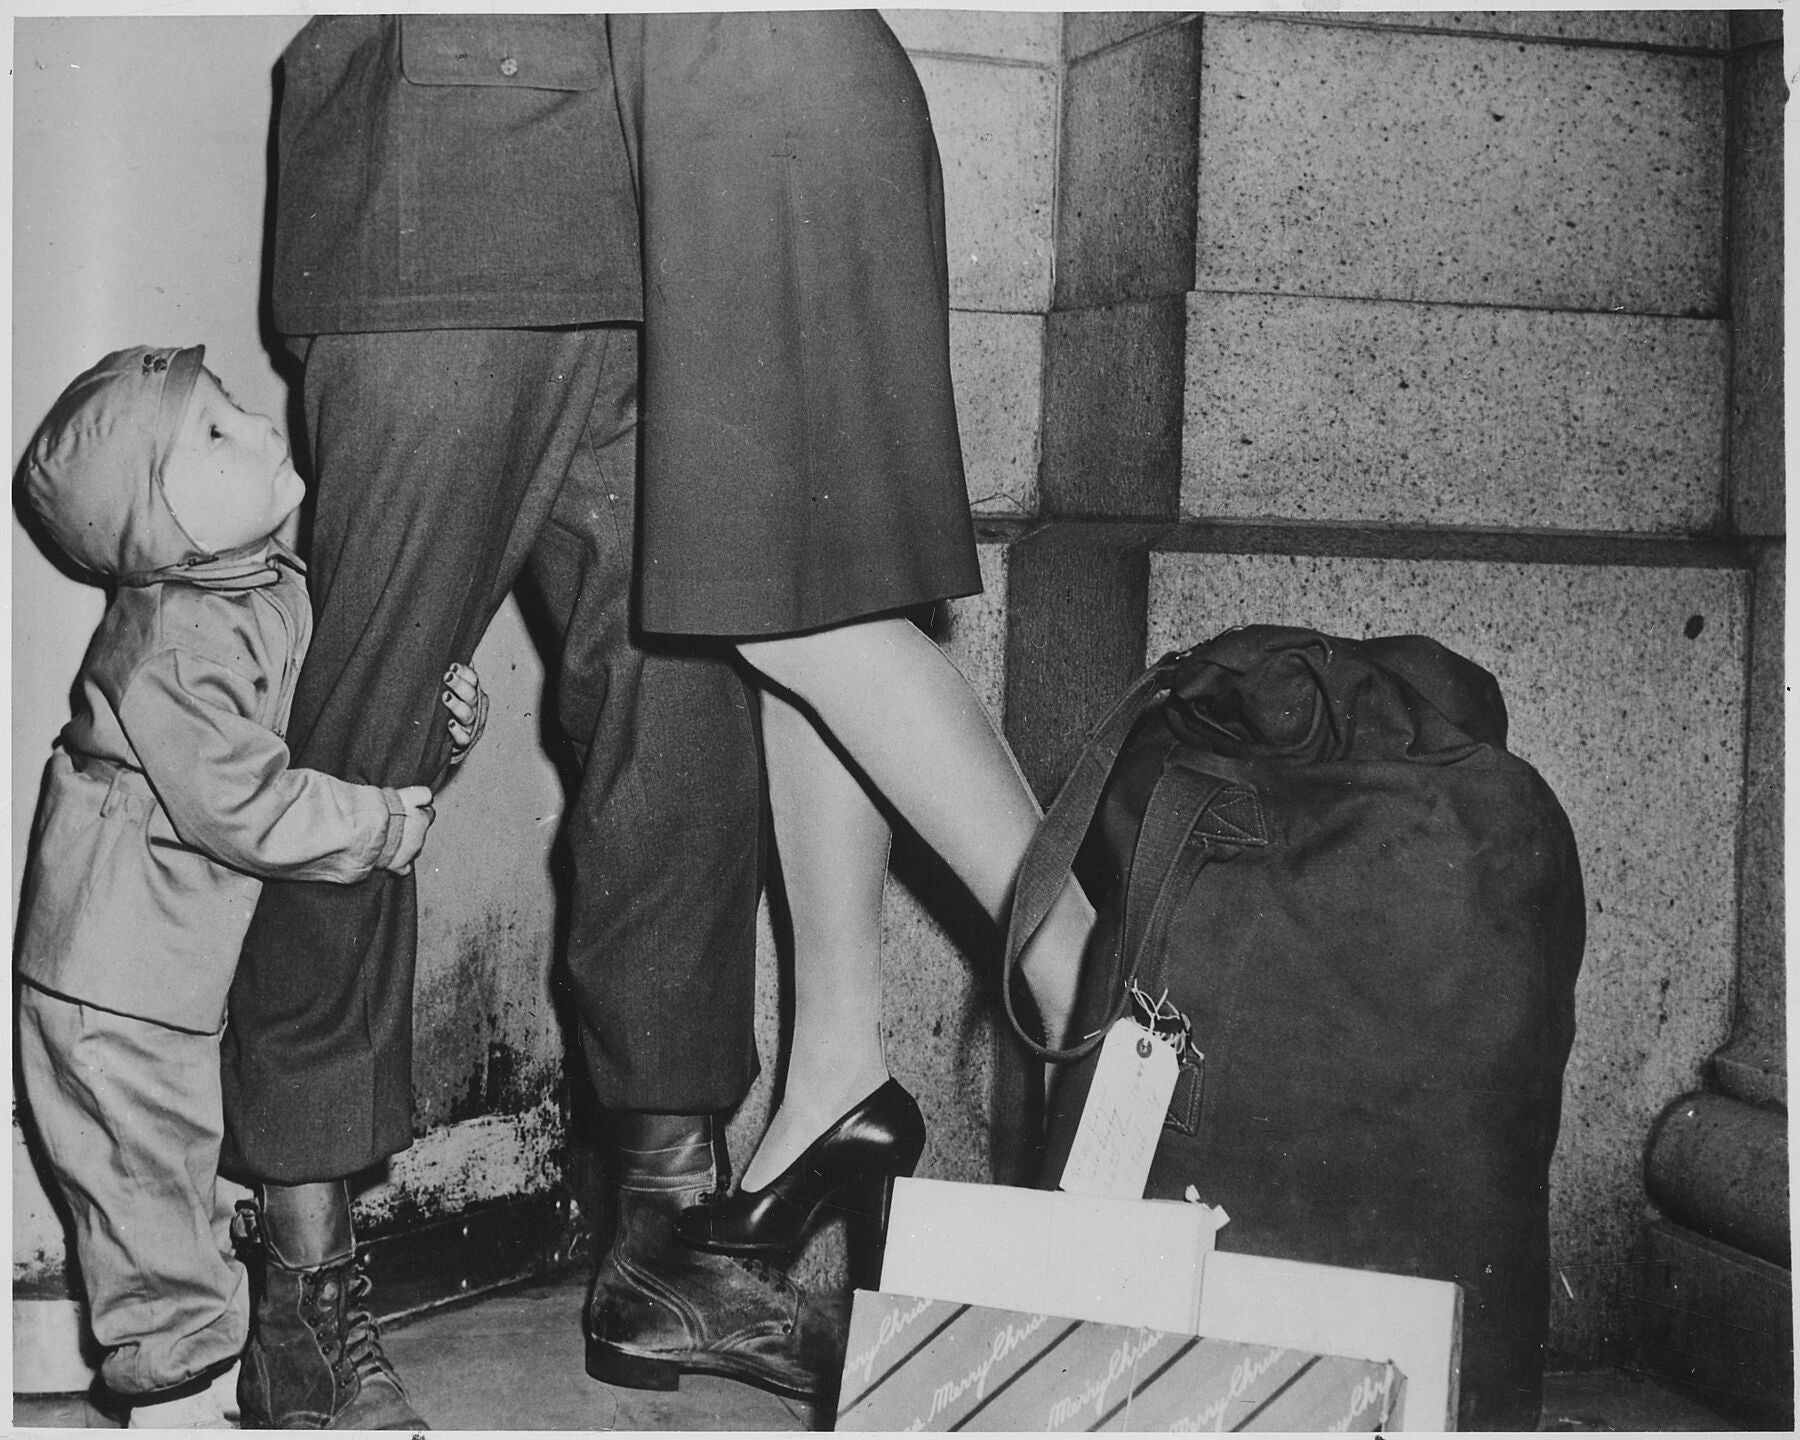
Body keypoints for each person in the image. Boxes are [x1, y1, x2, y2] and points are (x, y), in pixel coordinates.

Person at [222, 16, 838, 1428]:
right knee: (353, 754)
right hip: (440, 191)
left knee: (687, 720)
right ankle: (300, 1304)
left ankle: (670, 1250)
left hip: (669, 223)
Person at [604, 13, 1096, 1266]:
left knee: (800, 612)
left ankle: (1082, 970)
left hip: (749, 96)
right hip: (736, 98)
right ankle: (836, 1064)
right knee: (793, 607)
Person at [14, 345, 473, 1429]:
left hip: (165, 978)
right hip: (110, 994)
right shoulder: (167, 643)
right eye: (215, 435)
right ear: (153, 523)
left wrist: (436, 743)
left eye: (235, 413)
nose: (262, 430)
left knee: (171, 1211)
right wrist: (381, 824)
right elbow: (248, 803)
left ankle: (230, 1386)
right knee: (157, 1237)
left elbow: (322, 742)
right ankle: (181, 1410)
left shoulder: (271, 587)